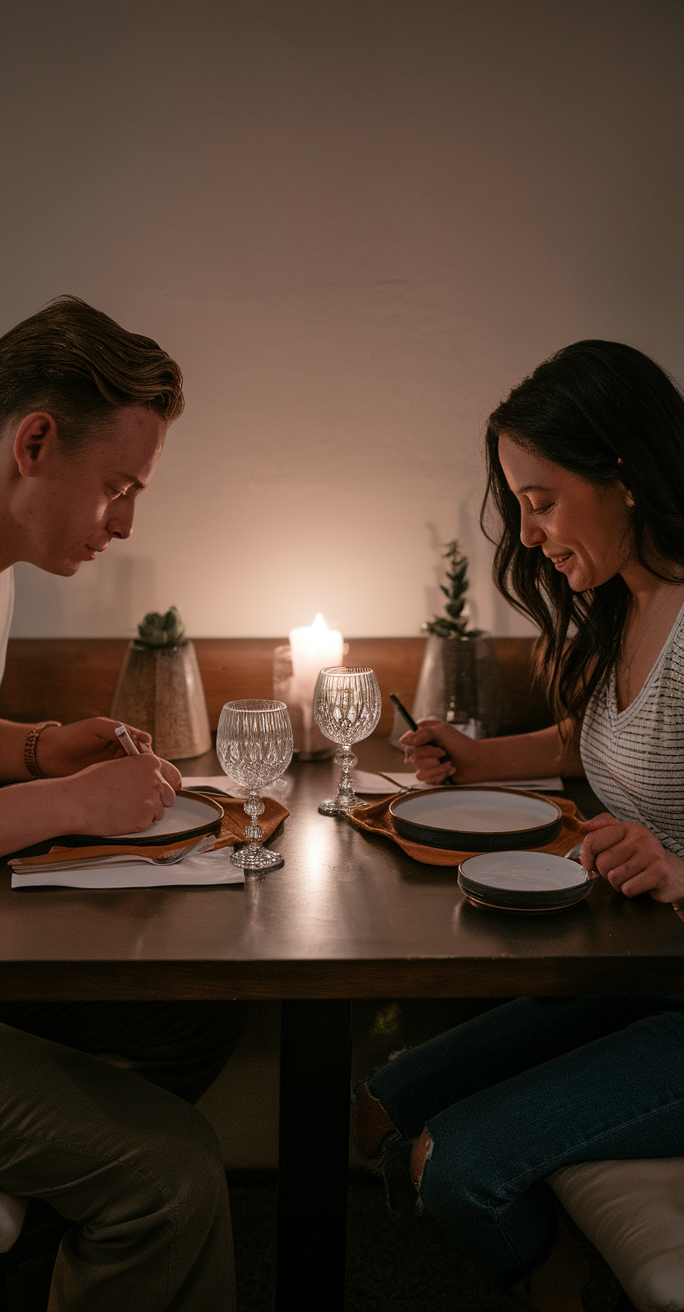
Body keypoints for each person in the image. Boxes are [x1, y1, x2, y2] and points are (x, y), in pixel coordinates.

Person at [354, 340, 684, 1312]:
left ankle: (563, 1278)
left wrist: (675, 870)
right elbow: (602, 743)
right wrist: (483, 755)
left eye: (540, 500)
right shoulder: (629, 603)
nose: (529, 533)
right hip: (643, 969)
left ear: (621, 477)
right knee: (389, 1094)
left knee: (456, 1161)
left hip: (663, 971)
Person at [0, 297, 241, 1311]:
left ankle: (56, 1255)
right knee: (173, 1171)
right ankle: (128, 1209)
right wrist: (69, 798)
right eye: (117, 486)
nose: (125, 522)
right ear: (35, 441)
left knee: (192, 1017)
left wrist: (34, 747)